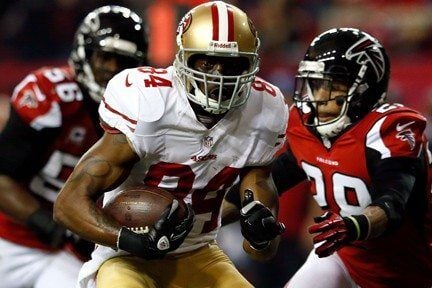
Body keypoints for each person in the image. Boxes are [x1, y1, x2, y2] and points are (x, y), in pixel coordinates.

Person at [53, 1, 288, 288]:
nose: (217, 76)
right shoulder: (150, 104)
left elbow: (263, 251)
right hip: (126, 257)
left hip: (199, 253)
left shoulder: (264, 110)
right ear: (183, 59)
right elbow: (67, 204)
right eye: (207, 61)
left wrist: (261, 236)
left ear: (251, 63)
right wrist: (132, 240)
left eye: (231, 63)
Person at [0, 5, 148, 288]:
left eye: (124, 61)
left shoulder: (146, 112)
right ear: (85, 53)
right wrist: (45, 222)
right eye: (106, 57)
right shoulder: (50, 96)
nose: (113, 69)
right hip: (10, 236)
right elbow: (2, 178)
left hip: (72, 253)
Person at [271, 27, 432, 288]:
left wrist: (355, 225)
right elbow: (273, 177)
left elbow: (392, 203)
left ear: (365, 89)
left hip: (412, 270)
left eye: (332, 86)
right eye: (315, 84)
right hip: (344, 256)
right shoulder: (305, 127)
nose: (319, 97)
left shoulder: (387, 129)